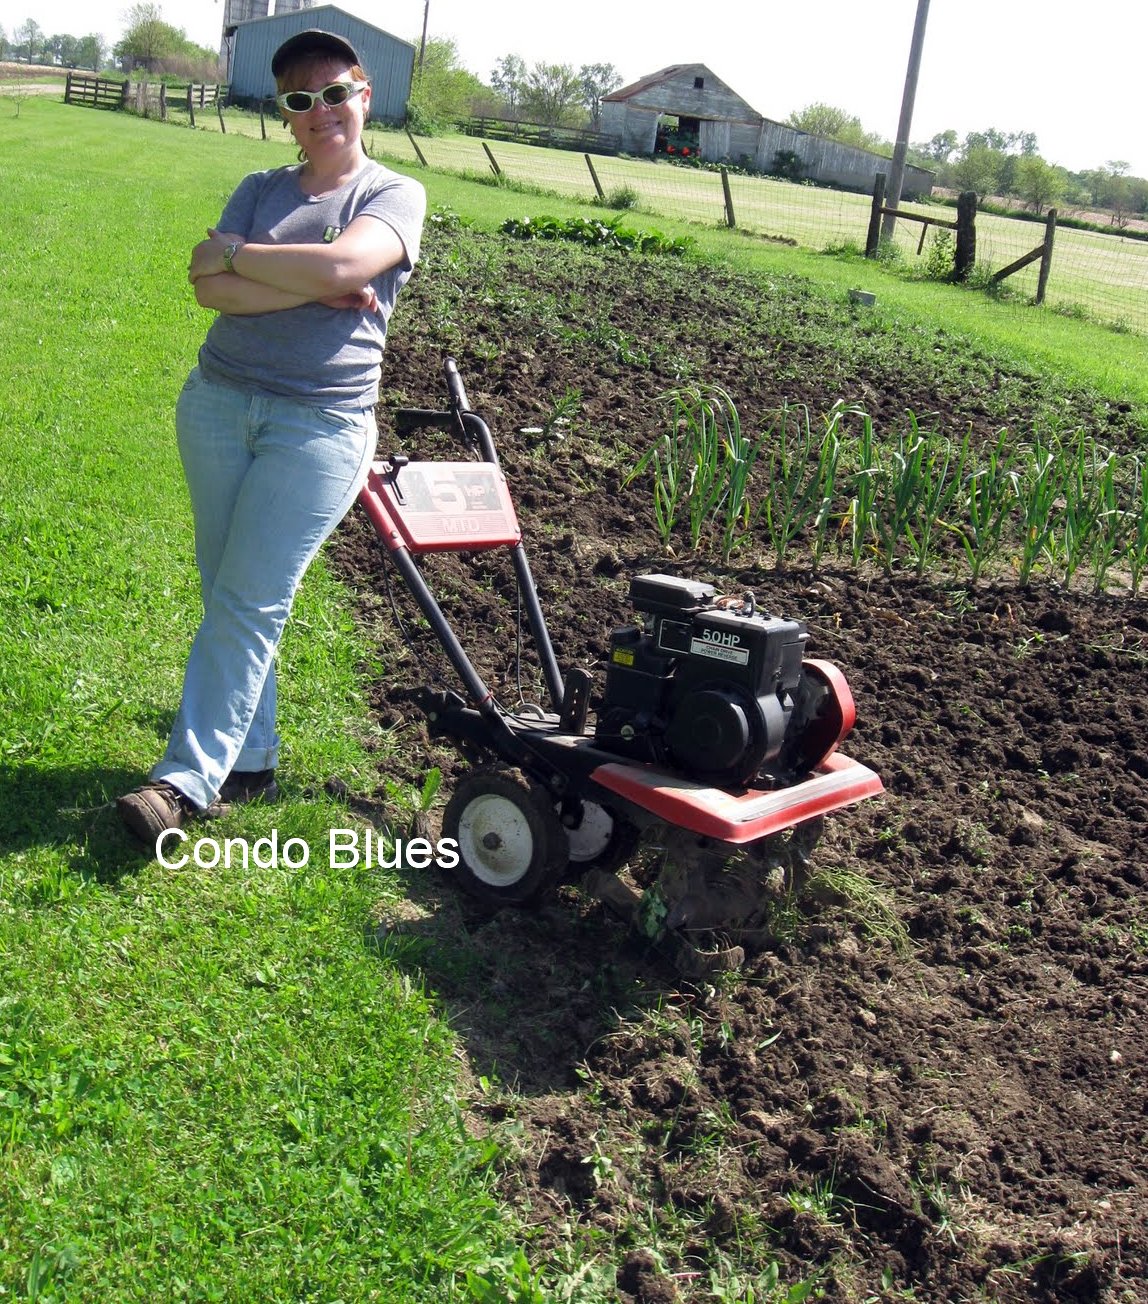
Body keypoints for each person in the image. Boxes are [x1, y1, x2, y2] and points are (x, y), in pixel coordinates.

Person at [117, 29, 426, 849]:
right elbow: (207, 288)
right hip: (217, 404)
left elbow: (336, 272)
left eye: (335, 92)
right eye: (300, 99)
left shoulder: (394, 194)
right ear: (285, 114)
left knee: (250, 598)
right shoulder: (260, 185)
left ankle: (185, 781)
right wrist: (302, 274)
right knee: (226, 588)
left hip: (320, 424)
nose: (320, 110)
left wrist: (268, 265)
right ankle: (250, 757)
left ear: (364, 94)